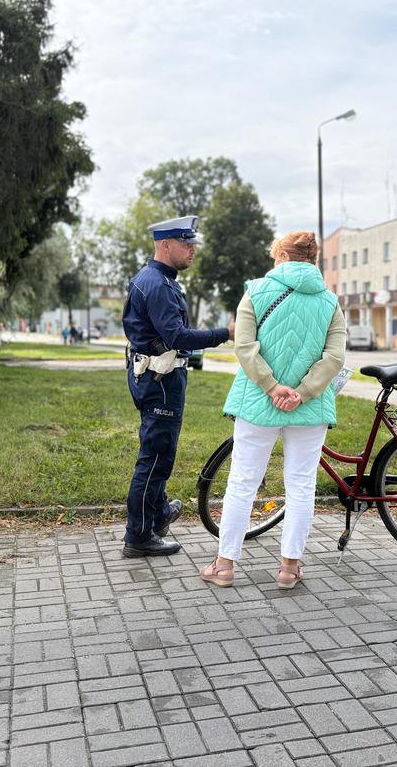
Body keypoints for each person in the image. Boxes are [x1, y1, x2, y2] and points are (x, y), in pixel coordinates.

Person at [199, 231, 345, 591]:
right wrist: (302, 392)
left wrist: (270, 386)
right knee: (300, 484)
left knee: (243, 483)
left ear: (280, 255)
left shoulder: (257, 292)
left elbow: (245, 347)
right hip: (309, 408)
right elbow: (335, 357)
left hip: (258, 402)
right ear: (313, 259)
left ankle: (225, 565)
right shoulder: (329, 301)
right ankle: (289, 567)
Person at [122, 215, 235, 557]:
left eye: (192, 245)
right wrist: (224, 334)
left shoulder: (159, 280)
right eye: (186, 244)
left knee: (158, 451)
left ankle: (157, 516)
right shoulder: (157, 284)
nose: (192, 251)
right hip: (161, 380)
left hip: (157, 376)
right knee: (155, 458)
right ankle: (139, 536)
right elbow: (177, 336)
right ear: (165, 244)